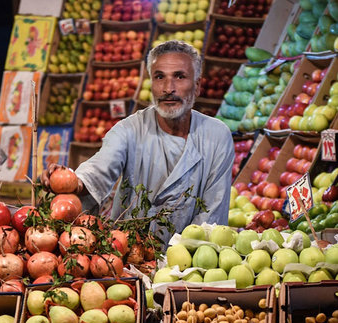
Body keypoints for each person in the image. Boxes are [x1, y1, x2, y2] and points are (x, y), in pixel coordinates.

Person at [42, 40, 235, 242]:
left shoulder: (217, 136)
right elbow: (100, 168)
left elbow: (212, 214)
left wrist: (180, 262)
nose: (168, 88)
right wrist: (73, 181)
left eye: (179, 77)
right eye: (160, 77)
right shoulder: (129, 130)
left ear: (197, 86)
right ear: (151, 84)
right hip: (127, 256)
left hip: (190, 264)